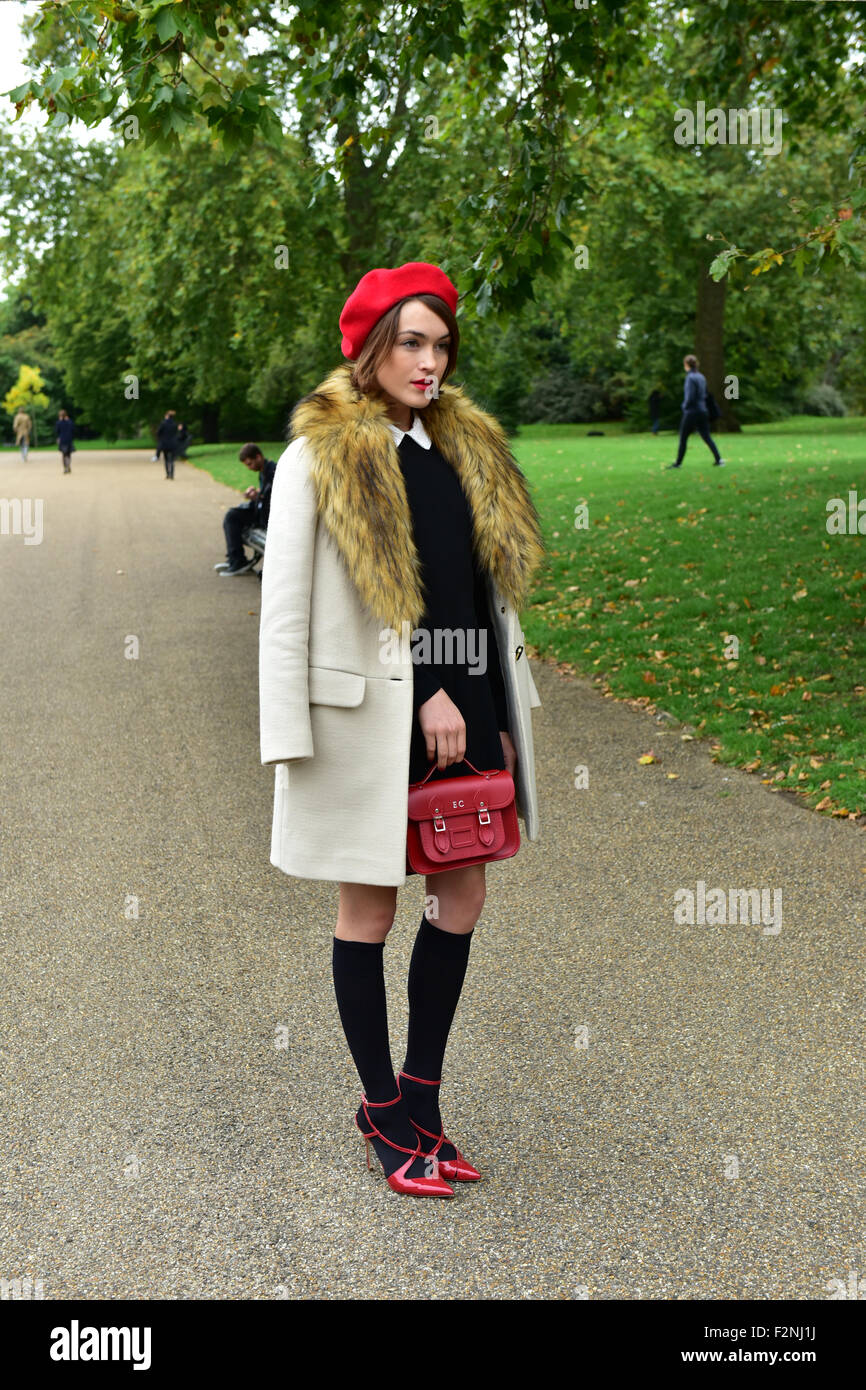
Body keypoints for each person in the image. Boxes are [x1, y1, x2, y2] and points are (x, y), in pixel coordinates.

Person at [258, 261, 545, 1198]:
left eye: (441, 344)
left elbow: (476, 597)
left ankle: (421, 1100)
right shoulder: (323, 455)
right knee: (371, 913)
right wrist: (295, 735)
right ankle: (381, 1111)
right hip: (374, 720)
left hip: (470, 712)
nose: (431, 361)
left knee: (461, 900)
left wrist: (496, 716)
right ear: (370, 348)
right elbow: (288, 609)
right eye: (412, 343)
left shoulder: (461, 448)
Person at [216, 444, 277, 576]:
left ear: (258, 457)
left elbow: (276, 499)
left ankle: (237, 561)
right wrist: (256, 492)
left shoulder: (273, 470)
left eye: (250, 464)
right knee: (232, 515)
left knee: (232, 517)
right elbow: (266, 492)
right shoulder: (264, 471)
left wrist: (258, 496)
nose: (249, 468)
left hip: (268, 517)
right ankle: (235, 559)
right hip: (261, 511)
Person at [667, 355, 725, 468]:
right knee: (706, 436)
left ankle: (678, 463)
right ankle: (719, 459)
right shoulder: (701, 377)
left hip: (691, 412)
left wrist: (684, 406)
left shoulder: (690, 378)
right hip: (703, 410)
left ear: (686, 365)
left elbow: (690, 397)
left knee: (683, 437)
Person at [156, 409, 179, 479]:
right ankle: (172, 474)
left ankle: (168, 474)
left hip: (165, 443)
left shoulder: (163, 423)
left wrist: (160, 438)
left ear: (167, 416)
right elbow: (176, 433)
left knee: (166, 459)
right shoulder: (175, 424)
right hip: (173, 443)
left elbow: (158, 432)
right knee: (172, 460)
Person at [56, 409, 75, 473]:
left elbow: (57, 431)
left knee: (64, 455)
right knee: (68, 454)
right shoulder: (70, 422)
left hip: (63, 440)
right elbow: (73, 430)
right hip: (69, 440)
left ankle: (65, 467)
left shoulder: (59, 423)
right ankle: (68, 466)